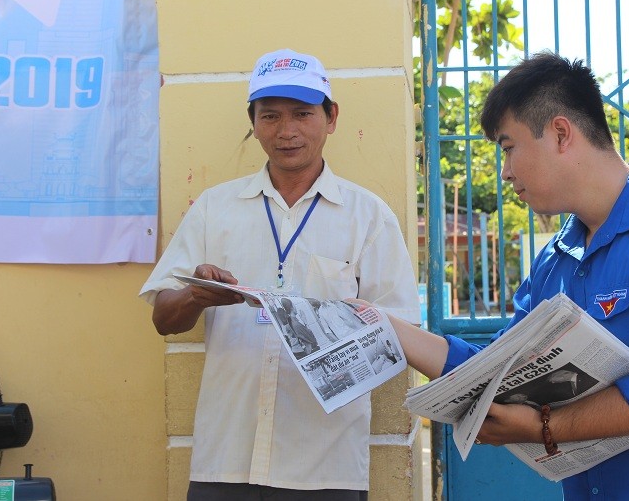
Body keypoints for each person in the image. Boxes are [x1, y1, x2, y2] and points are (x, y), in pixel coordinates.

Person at [375, 52, 629, 499]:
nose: (506, 172)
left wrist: (547, 427)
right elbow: (496, 371)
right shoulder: (554, 261)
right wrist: (385, 329)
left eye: (509, 146)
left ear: (559, 133)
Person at [139, 48, 420, 501]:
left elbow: (404, 333)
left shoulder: (368, 217)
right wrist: (197, 296)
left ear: (331, 118)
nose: (286, 131)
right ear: (253, 122)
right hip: (225, 459)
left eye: (301, 114)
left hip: (326, 463)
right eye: (269, 116)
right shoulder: (215, 208)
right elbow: (163, 319)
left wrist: (331, 331)